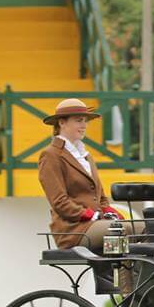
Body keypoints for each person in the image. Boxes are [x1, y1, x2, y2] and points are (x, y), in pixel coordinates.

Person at [37, 98, 132, 251]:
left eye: (85, 121)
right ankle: (118, 274)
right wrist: (89, 215)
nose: (84, 126)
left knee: (144, 228)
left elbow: (100, 196)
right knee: (122, 231)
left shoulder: (85, 156)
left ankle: (130, 274)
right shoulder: (50, 155)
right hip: (72, 230)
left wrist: (107, 211)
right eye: (79, 121)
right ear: (62, 123)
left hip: (96, 224)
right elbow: (59, 202)